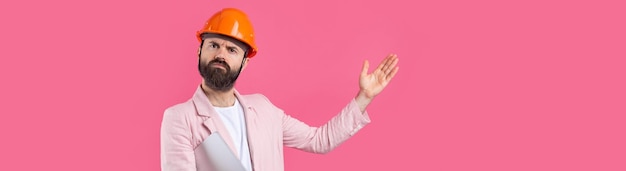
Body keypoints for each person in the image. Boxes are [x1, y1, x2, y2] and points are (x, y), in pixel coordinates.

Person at [160, 8, 399, 171]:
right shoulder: (180, 118)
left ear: (245, 62)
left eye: (232, 50)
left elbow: (319, 140)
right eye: (213, 45)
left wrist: (364, 97)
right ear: (200, 51)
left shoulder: (263, 109)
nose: (221, 55)